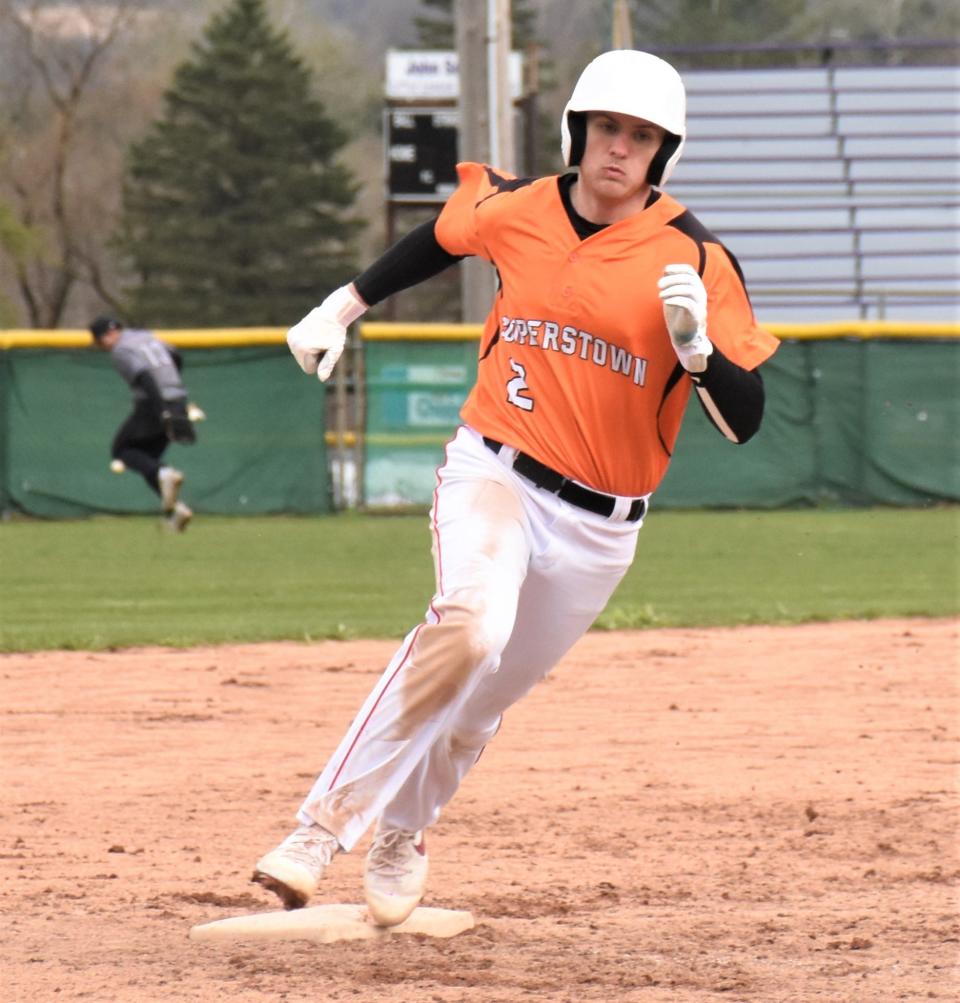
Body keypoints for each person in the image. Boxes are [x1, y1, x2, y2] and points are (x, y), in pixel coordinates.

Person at [252, 49, 780, 926]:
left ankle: (403, 830)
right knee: (470, 628)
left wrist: (699, 354)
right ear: (580, 130)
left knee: (481, 702)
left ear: (663, 152)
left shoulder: (695, 256)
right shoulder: (519, 207)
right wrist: (339, 306)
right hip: (495, 468)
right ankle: (320, 829)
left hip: (602, 528)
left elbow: (745, 417)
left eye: (641, 136)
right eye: (607, 127)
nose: (619, 148)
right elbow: (440, 236)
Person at [89, 315, 198, 532]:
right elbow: (176, 356)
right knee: (148, 460)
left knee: (121, 449)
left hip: (154, 403)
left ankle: (165, 479)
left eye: (101, 342)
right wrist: (172, 385)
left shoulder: (120, 350)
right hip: (177, 398)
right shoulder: (145, 336)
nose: (102, 347)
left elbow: (145, 377)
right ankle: (176, 510)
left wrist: (161, 410)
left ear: (108, 335)